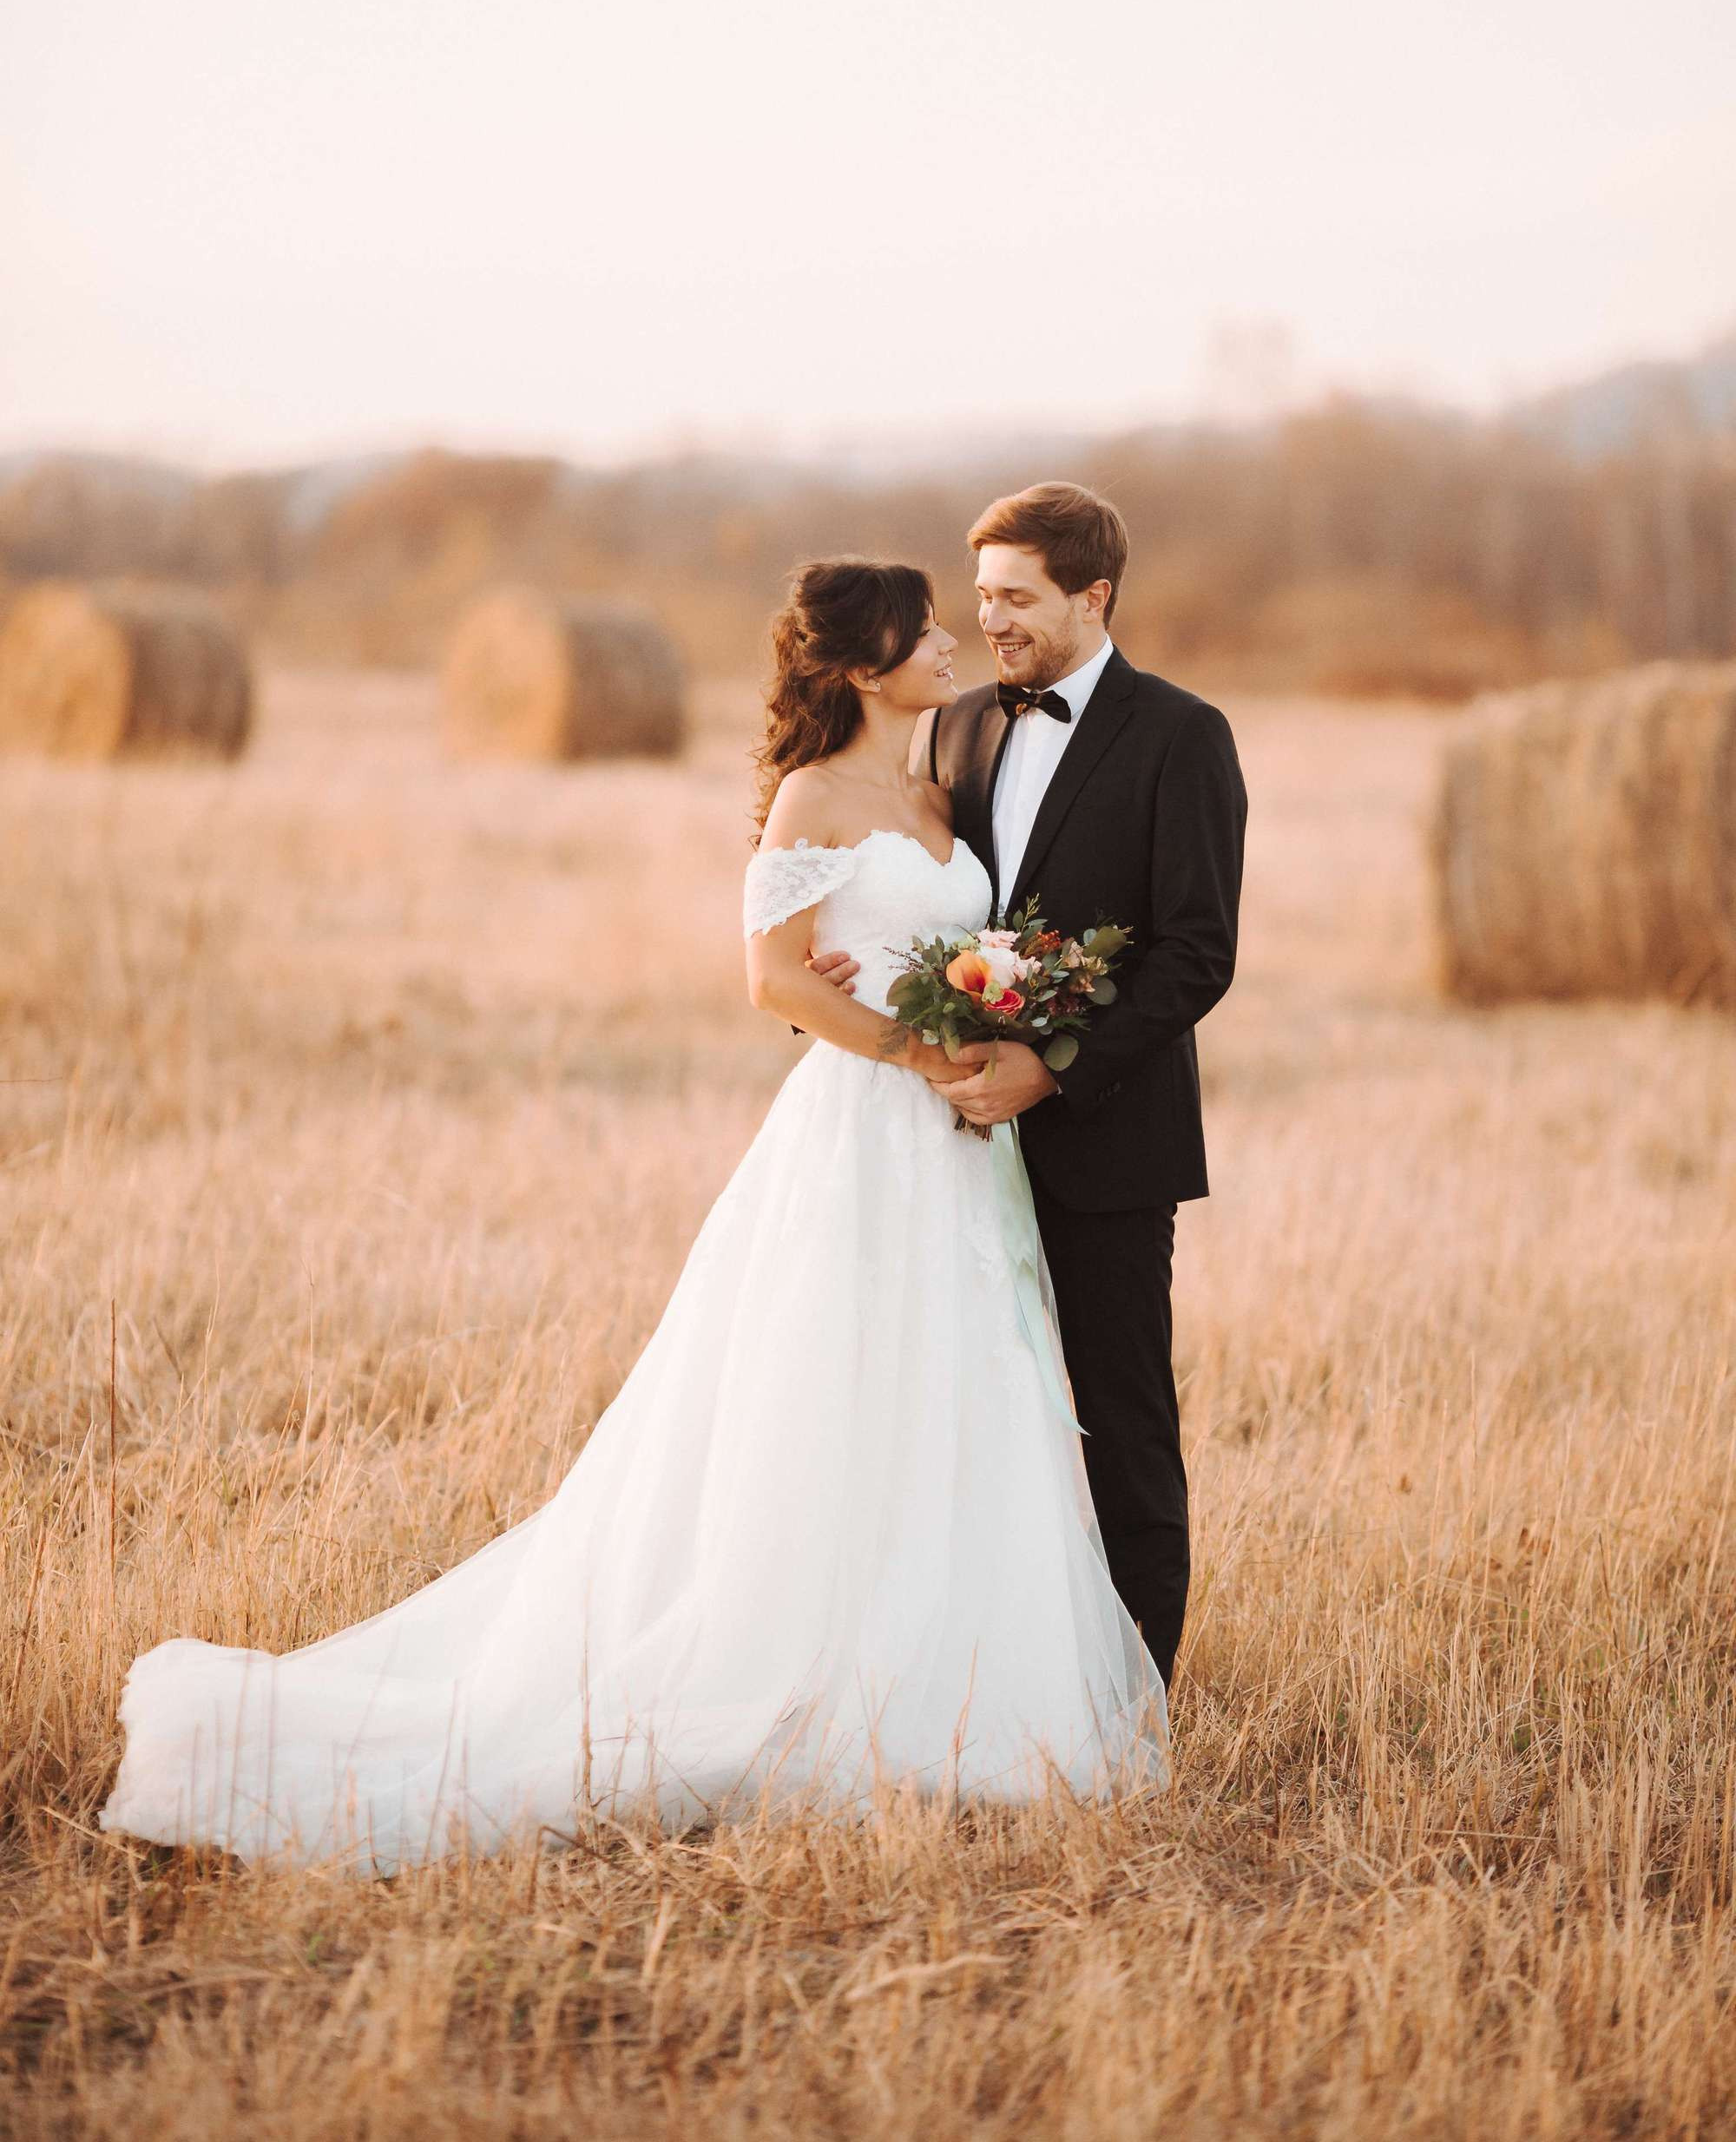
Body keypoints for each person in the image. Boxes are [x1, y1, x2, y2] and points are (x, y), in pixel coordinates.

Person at [98, 557, 1166, 1874]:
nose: (950, 641)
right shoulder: (810, 796)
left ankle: (953, 1669)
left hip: (962, 1145)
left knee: (958, 1384)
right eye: (922, 628)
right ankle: (797, 1661)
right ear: (855, 663)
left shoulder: (943, 783)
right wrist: (911, 1049)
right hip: (868, 1134)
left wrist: (994, 1021)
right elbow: (773, 973)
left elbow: (941, 944)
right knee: (833, 1384)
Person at [812, 484, 1247, 1688]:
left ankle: (1136, 1693)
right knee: (959, 1412)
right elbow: (925, 900)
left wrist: (1049, 1068)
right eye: (983, 595)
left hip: (1108, 1134)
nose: (988, 619)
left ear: (1092, 596)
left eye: (1016, 597)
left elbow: (1196, 954)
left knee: (1122, 1417)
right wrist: (856, 964)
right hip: (943, 1142)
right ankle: (975, 1671)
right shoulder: (950, 730)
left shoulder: (1182, 735)